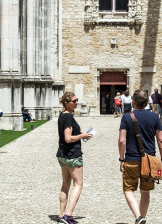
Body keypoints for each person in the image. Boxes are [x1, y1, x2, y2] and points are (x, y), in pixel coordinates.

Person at [118, 89, 162, 224]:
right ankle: (141, 218)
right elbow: (161, 140)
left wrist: (121, 159)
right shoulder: (154, 117)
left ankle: (138, 216)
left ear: (133, 102)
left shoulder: (127, 117)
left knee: (128, 189)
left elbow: (122, 141)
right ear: (146, 103)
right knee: (145, 191)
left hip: (131, 159)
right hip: (149, 161)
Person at [57, 92, 93, 224]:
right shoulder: (68, 117)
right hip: (72, 154)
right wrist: (81, 137)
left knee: (65, 185)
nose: (76, 102)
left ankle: (61, 216)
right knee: (78, 184)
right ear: (67, 103)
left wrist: (80, 133)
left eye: (77, 100)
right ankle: (68, 215)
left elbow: (65, 135)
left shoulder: (62, 115)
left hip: (63, 154)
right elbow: (68, 138)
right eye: (74, 101)